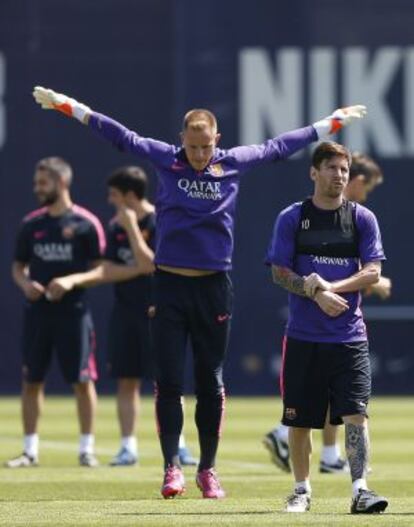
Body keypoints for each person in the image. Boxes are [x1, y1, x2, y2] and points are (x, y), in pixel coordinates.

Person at [32, 85, 366, 499]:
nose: (199, 155)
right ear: (181, 139)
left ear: (217, 140)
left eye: (206, 147)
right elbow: (120, 136)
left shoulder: (231, 164)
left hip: (213, 287)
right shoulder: (166, 159)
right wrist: (71, 107)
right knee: (169, 381)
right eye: (192, 146)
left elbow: (279, 146)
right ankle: (172, 468)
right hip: (169, 285)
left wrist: (329, 124)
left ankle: (208, 469)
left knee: (210, 380)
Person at [265, 141, 388, 514]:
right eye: (332, 168)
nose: (339, 176)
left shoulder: (362, 218)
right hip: (303, 337)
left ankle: (360, 490)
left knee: (356, 415)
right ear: (313, 172)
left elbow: (373, 271)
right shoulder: (292, 217)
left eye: (344, 170)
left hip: (349, 337)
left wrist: (330, 287)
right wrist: (312, 291)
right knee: (299, 421)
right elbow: (279, 272)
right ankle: (301, 491)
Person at [48, 165, 197, 466]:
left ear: (130, 195)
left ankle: (179, 445)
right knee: (126, 380)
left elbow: (153, 265)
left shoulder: (160, 221)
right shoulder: (115, 226)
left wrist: (132, 230)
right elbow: (108, 269)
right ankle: (128, 447)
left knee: (167, 381)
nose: (111, 200)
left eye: (115, 195)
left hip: (160, 312)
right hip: (126, 312)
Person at [6, 157, 106, 468]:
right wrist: (26, 285)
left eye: (43, 183)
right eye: (37, 183)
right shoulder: (32, 224)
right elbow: (17, 267)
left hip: (74, 312)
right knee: (31, 379)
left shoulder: (85, 224)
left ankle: (86, 448)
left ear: (62, 182)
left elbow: (102, 269)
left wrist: (71, 280)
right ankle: (29, 450)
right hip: (38, 312)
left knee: (82, 380)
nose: (37, 189)